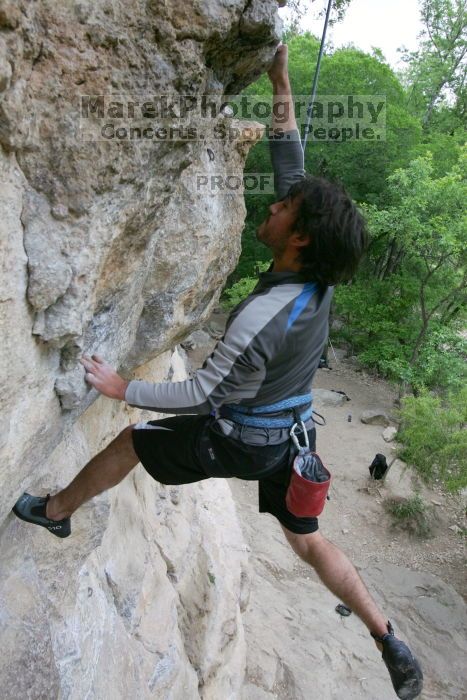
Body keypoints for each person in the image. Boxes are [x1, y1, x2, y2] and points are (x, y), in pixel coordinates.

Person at [13, 44, 423, 700]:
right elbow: (292, 158)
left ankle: (56, 509)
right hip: (294, 441)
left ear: (300, 238)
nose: (270, 205)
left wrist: (122, 388)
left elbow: (201, 391)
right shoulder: (316, 283)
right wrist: (280, 78)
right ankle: (386, 634)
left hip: (245, 440)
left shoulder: (262, 312)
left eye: (282, 210)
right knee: (307, 542)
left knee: (132, 441)